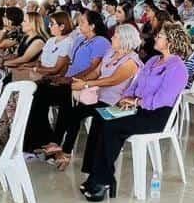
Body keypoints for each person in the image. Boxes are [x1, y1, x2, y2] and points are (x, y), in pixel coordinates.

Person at [80, 21, 189, 202]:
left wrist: (137, 102)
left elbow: (162, 100)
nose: (156, 37)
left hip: (157, 115)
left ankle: (101, 180)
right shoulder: (153, 60)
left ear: (170, 41)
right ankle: (96, 175)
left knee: (112, 126)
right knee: (100, 118)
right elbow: (136, 84)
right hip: (137, 108)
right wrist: (127, 98)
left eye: (160, 36)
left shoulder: (177, 68)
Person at [37, 24, 143, 170]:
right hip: (99, 97)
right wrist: (82, 81)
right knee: (70, 107)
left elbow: (112, 80)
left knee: (77, 112)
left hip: (114, 103)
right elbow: (97, 72)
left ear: (125, 39)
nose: (112, 37)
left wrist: (86, 85)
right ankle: (59, 146)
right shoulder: (111, 52)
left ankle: (65, 152)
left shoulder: (131, 61)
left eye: (116, 36)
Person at [24, 10, 111, 151]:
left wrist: (70, 80)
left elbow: (94, 69)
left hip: (82, 84)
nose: (79, 24)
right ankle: (39, 137)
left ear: (92, 26)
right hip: (69, 79)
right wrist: (59, 77)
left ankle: (54, 140)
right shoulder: (80, 40)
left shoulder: (101, 42)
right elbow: (69, 63)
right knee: (38, 92)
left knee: (61, 96)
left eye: (83, 22)